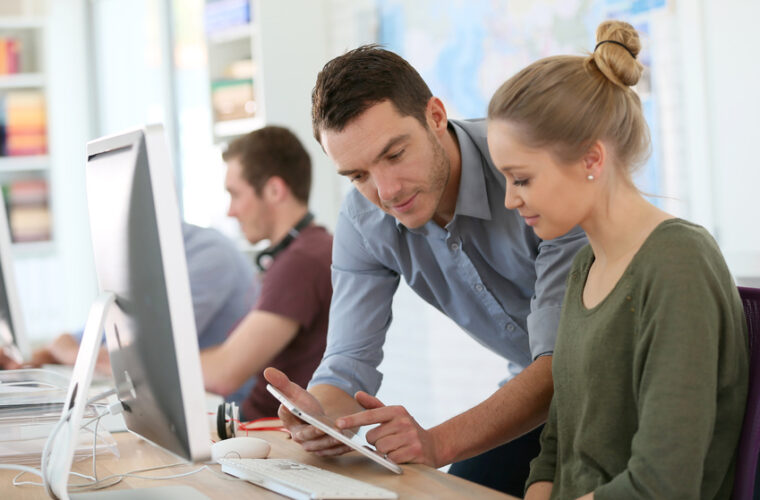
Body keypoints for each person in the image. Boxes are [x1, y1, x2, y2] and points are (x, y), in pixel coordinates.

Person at [264, 44, 588, 496]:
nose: (386, 191)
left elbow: (564, 362)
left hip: (615, 383)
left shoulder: (527, 170)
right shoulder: (365, 217)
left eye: (394, 154)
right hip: (540, 398)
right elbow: (347, 363)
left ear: (436, 116)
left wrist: (435, 442)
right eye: (357, 175)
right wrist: (319, 415)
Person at [484, 20, 748, 499]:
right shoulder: (586, 264)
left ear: (591, 160)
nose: (509, 200)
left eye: (520, 179)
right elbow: (557, 442)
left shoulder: (679, 265)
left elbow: (664, 484)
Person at [0, 222, 259, 406]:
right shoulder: (140, 258)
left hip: (216, 414)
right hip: (165, 403)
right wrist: (25, 368)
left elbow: (135, 357)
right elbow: (79, 339)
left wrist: (75, 353)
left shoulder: (210, 256)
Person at [200, 125, 333, 421]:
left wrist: (142, 368)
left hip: (268, 436)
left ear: (274, 190)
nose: (230, 211)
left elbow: (225, 373)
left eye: (235, 194)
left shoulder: (301, 262)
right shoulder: (311, 249)